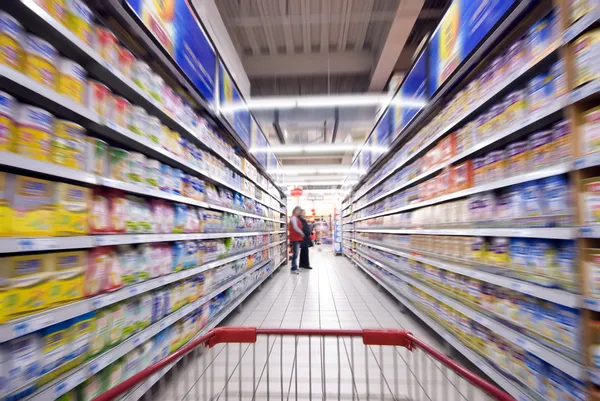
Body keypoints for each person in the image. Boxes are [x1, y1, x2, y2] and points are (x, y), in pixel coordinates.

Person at [288, 206, 304, 274]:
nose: (300, 212)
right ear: (296, 211)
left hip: (297, 238)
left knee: (296, 253)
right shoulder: (294, 218)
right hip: (295, 238)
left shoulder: (295, 218)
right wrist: (301, 232)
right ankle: (293, 268)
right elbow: (295, 227)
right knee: (295, 254)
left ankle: (295, 266)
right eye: (299, 211)